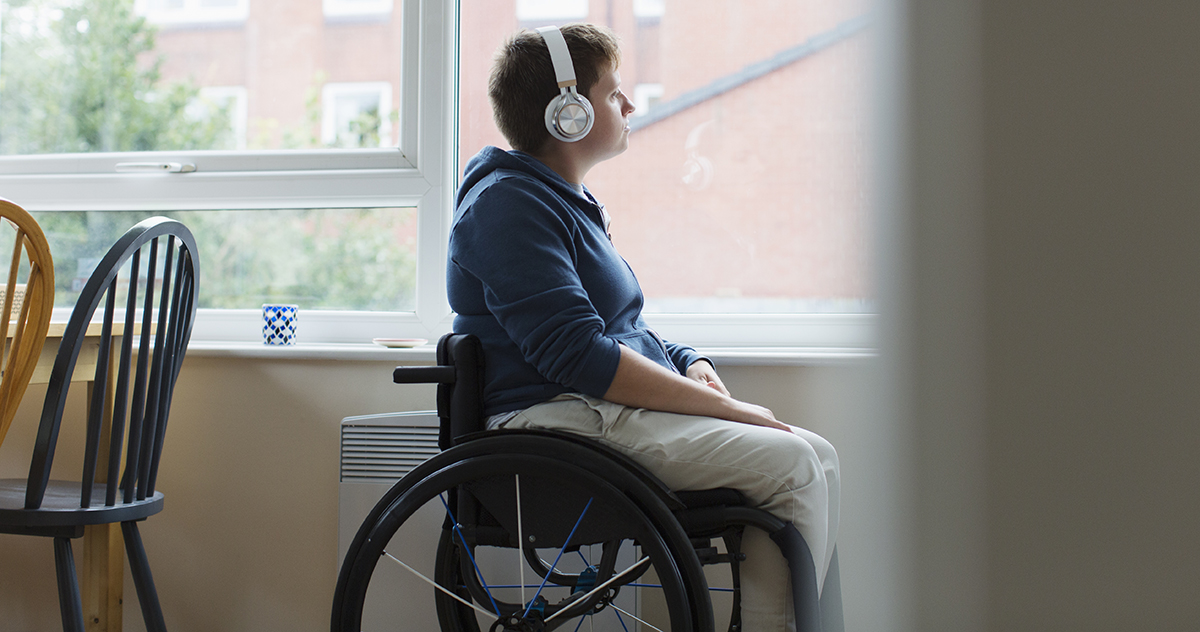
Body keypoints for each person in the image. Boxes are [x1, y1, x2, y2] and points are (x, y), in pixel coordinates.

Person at [448, 22, 841, 631]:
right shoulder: (507, 205)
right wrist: (731, 412)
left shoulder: (557, 201)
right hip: (554, 424)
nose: (629, 104)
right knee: (791, 465)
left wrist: (691, 364)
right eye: (612, 93)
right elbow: (580, 355)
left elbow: (622, 329)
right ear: (569, 113)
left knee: (819, 456)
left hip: (592, 411)